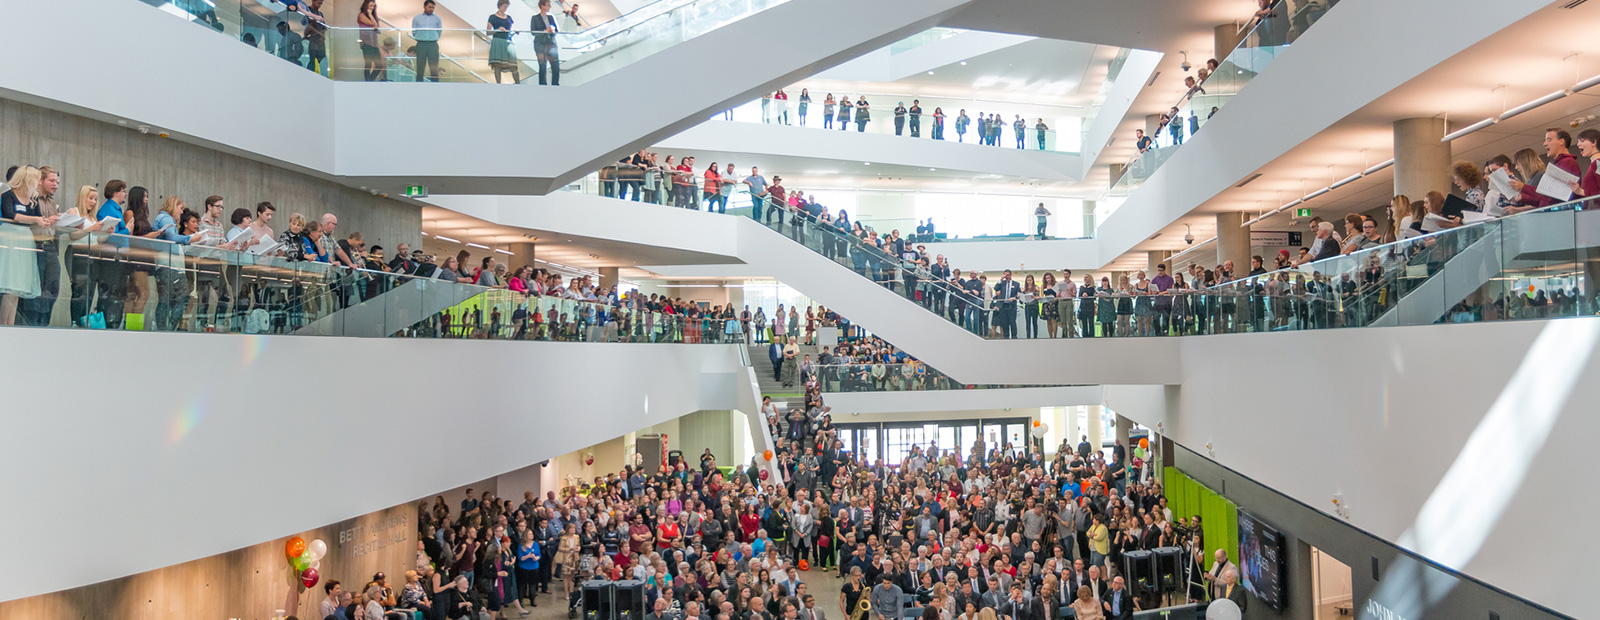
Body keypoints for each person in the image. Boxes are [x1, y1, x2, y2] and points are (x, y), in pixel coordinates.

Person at [487, 1, 521, 84]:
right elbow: (488, 32)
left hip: (508, 41)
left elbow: (510, 30)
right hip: (498, 41)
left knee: (513, 65)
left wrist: (515, 31)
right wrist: (497, 30)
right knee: (497, 64)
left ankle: (518, 83)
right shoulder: (492, 17)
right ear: (499, 6)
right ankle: (499, 84)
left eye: (506, 7)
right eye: (504, 6)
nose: (505, 8)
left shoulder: (509, 18)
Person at [532, 0, 562, 85]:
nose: (550, 7)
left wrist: (553, 30)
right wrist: (545, 30)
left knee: (555, 66)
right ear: (542, 6)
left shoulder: (551, 17)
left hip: (551, 42)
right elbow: (533, 32)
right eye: (548, 5)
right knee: (542, 65)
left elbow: (556, 30)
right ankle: (542, 86)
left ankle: (555, 85)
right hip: (540, 44)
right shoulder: (535, 18)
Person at [411, 0, 442, 82]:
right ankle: (419, 84)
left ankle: (435, 84)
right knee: (420, 65)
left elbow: (439, 31)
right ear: (424, 7)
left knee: (434, 65)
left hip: (433, 43)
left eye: (433, 8)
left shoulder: (437, 18)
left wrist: (433, 37)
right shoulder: (417, 18)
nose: (431, 9)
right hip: (421, 43)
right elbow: (414, 31)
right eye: (429, 7)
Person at [357, 0, 384, 82]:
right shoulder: (361, 15)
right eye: (370, 6)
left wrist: (372, 15)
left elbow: (377, 26)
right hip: (366, 42)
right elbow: (373, 24)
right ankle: (368, 82)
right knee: (368, 64)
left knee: (379, 65)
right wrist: (369, 14)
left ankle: (370, 81)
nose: (372, 8)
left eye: (373, 6)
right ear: (366, 6)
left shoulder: (374, 16)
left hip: (374, 43)